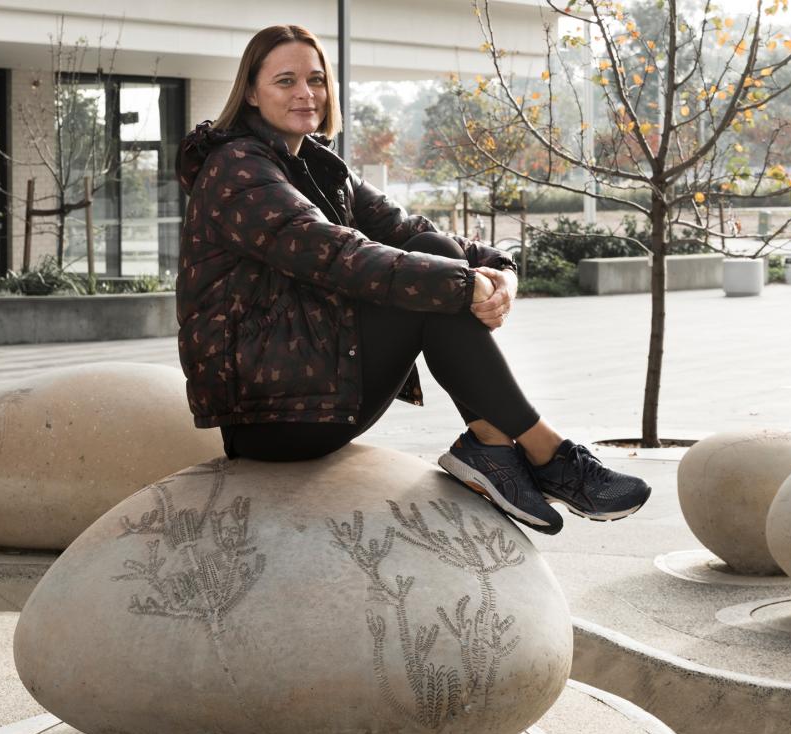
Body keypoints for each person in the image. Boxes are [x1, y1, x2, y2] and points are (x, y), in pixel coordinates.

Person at [175, 25, 650, 535]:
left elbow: (413, 233)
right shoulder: (236, 170)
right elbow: (339, 255)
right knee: (435, 284)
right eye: (285, 81)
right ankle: (543, 450)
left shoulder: (316, 167)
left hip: (313, 385)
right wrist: (466, 286)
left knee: (434, 254)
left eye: (315, 80)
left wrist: (502, 271)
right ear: (250, 91)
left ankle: (492, 445)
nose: (305, 94)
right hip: (267, 417)